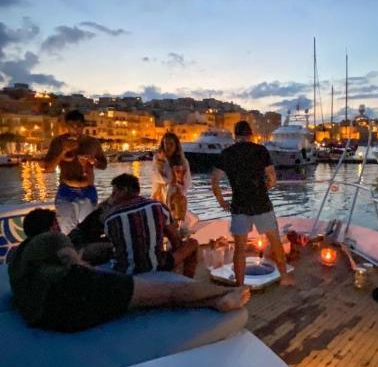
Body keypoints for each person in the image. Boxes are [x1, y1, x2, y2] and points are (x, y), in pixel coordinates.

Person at [8, 208, 250, 333]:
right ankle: (228, 292)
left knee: (149, 301)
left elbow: (77, 254)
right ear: (52, 226)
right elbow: (71, 259)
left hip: (51, 316)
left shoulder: (19, 256)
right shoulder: (52, 237)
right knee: (168, 292)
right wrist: (86, 270)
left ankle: (215, 302)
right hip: (73, 290)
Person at [211, 120, 293, 287]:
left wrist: (221, 201)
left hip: (239, 205)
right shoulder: (261, 150)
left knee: (240, 248)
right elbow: (272, 177)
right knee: (275, 241)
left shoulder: (227, 153)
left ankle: (240, 287)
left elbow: (214, 180)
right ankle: (284, 276)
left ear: (235, 135)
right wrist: (266, 188)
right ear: (250, 134)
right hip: (261, 202)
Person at [105, 173, 198, 277]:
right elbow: (176, 241)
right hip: (158, 266)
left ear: (124, 190)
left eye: (114, 192)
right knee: (192, 243)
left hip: (124, 271)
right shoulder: (158, 206)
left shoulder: (110, 218)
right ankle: (186, 282)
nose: (112, 196)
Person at [43, 110, 107, 234]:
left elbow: (103, 165)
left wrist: (93, 161)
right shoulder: (58, 142)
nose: (75, 129)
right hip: (66, 191)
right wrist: (62, 152)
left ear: (83, 125)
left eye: (78, 125)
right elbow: (48, 168)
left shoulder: (93, 142)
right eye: (71, 125)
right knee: (67, 230)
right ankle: (71, 252)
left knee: (88, 230)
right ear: (66, 126)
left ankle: (84, 252)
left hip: (88, 191)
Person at [152, 131, 191, 221]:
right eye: (165, 143)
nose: (168, 146)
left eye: (171, 143)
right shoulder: (158, 159)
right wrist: (170, 181)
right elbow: (155, 175)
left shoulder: (183, 161)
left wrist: (179, 188)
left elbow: (187, 180)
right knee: (161, 220)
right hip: (160, 193)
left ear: (176, 145)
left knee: (176, 220)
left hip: (177, 196)